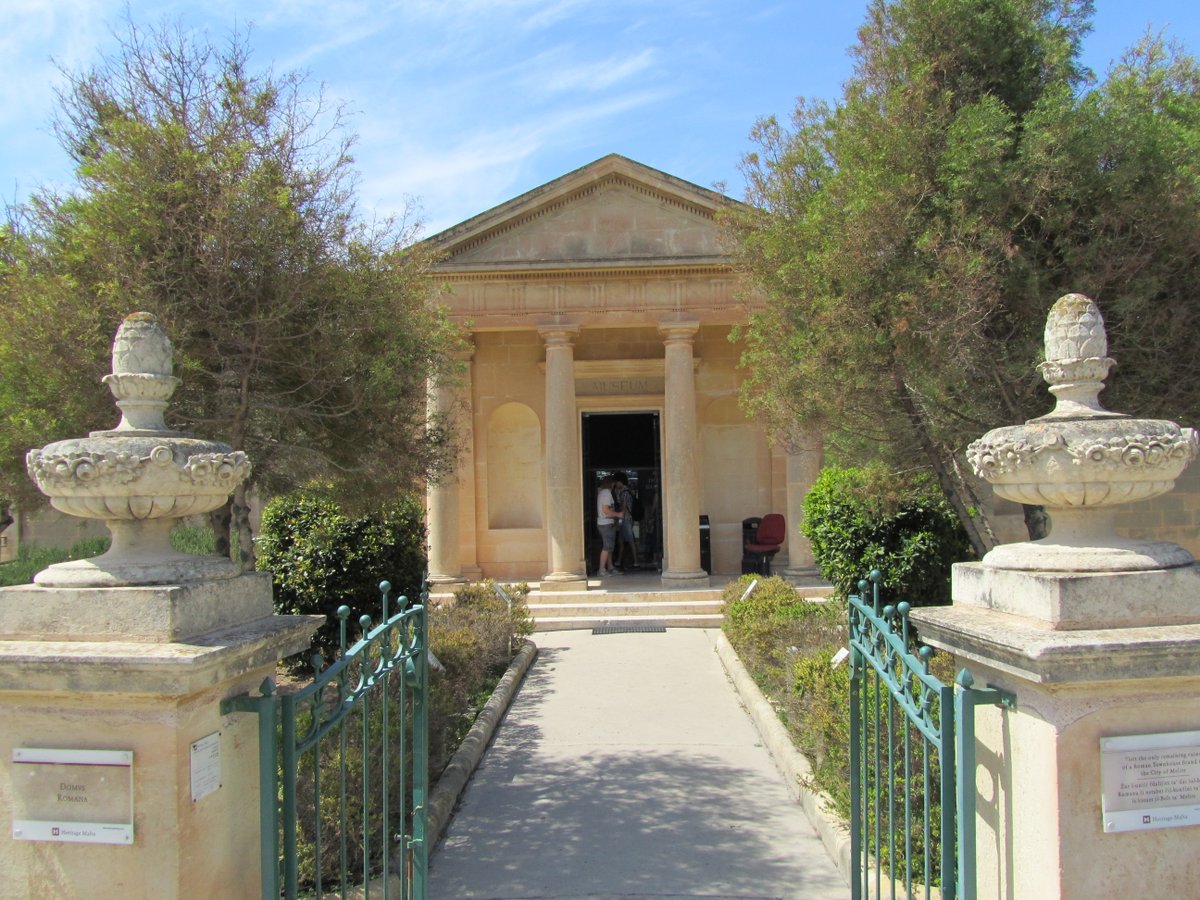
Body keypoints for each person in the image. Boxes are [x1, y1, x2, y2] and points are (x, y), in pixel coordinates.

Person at [595, 475, 624, 577]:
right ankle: (602, 570)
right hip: (606, 523)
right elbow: (606, 510)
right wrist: (618, 514)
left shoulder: (602, 493)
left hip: (604, 523)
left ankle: (610, 567)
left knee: (609, 547)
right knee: (607, 547)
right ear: (611, 484)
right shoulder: (607, 494)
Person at [612, 472, 640, 570]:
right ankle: (619, 561)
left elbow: (623, 508)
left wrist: (619, 521)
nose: (615, 484)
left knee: (629, 541)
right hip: (626, 519)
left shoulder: (624, 492)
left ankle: (635, 562)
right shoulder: (627, 491)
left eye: (616, 482)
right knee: (622, 541)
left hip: (625, 520)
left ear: (620, 481)